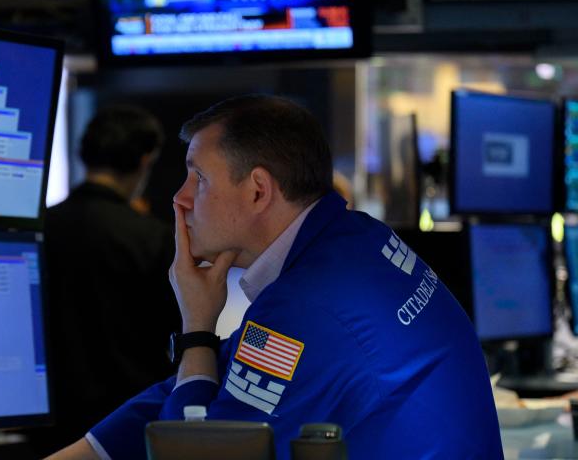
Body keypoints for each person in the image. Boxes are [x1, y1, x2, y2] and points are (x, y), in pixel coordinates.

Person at [47, 95, 502, 459]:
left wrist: (197, 329)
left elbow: (195, 449)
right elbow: (217, 377)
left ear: (258, 191)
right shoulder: (356, 238)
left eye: (197, 179)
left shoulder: (305, 305)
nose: (180, 199)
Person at [36, 105, 181, 454]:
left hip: (46, 424)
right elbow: (175, 333)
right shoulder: (154, 238)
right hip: (125, 426)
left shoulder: (38, 229)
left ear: (84, 153)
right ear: (145, 160)